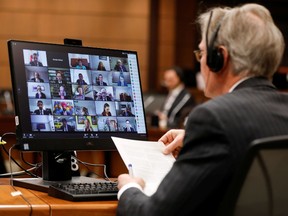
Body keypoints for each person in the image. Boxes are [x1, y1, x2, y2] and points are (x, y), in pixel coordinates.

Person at [116, 4, 288, 216]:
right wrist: (197, 140)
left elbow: (155, 214)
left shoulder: (213, 118)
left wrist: (128, 188)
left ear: (219, 58)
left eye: (202, 53)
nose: (201, 62)